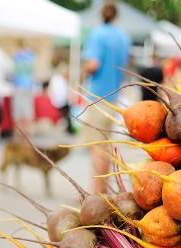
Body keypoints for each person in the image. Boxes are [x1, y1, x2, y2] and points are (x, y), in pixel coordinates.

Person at [81, 2, 130, 194]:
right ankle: (103, 190)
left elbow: (93, 64)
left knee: (97, 147)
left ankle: (98, 193)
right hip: (114, 97)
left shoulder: (98, 34)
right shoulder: (123, 37)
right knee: (106, 145)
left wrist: (81, 72)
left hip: (98, 97)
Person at [12, 40, 36, 131]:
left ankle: (19, 132)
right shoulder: (31, 55)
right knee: (28, 109)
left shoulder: (17, 56)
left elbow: (14, 71)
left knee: (18, 110)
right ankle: (28, 131)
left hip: (19, 85)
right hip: (28, 85)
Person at [48, 63, 73, 133]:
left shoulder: (56, 79)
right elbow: (62, 91)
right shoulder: (59, 79)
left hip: (59, 100)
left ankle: (68, 129)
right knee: (67, 115)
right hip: (61, 101)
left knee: (67, 115)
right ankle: (69, 129)